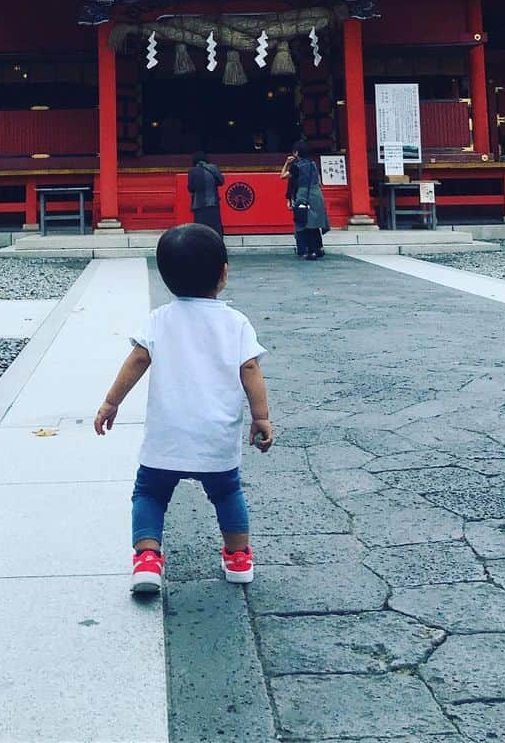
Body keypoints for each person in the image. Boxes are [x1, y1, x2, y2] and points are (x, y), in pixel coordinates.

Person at [93, 223, 272, 595]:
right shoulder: (235, 323)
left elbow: (137, 360)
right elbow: (250, 369)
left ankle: (147, 559)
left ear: (166, 276)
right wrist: (260, 416)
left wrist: (111, 402)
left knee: (150, 494)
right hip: (216, 436)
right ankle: (238, 558)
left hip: (167, 434)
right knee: (227, 493)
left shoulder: (160, 319)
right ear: (223, 273)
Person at [281, 139, 329, 260]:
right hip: (316, 195)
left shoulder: (296, 167)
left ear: (296, 152)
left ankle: (309, 250)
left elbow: (282, 176)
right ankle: (318, 249)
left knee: (303, 222)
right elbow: (319, 181)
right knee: (314, 223)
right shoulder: (313, 164)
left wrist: (287, 163)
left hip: (303, 195)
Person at [186, 151, 225, 236]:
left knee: (200, 230)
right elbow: (221, 181)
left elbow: (191, 187)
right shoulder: (213, 168)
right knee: (215, 228)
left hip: (199, 204)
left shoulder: (193, 171)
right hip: (213, 203)